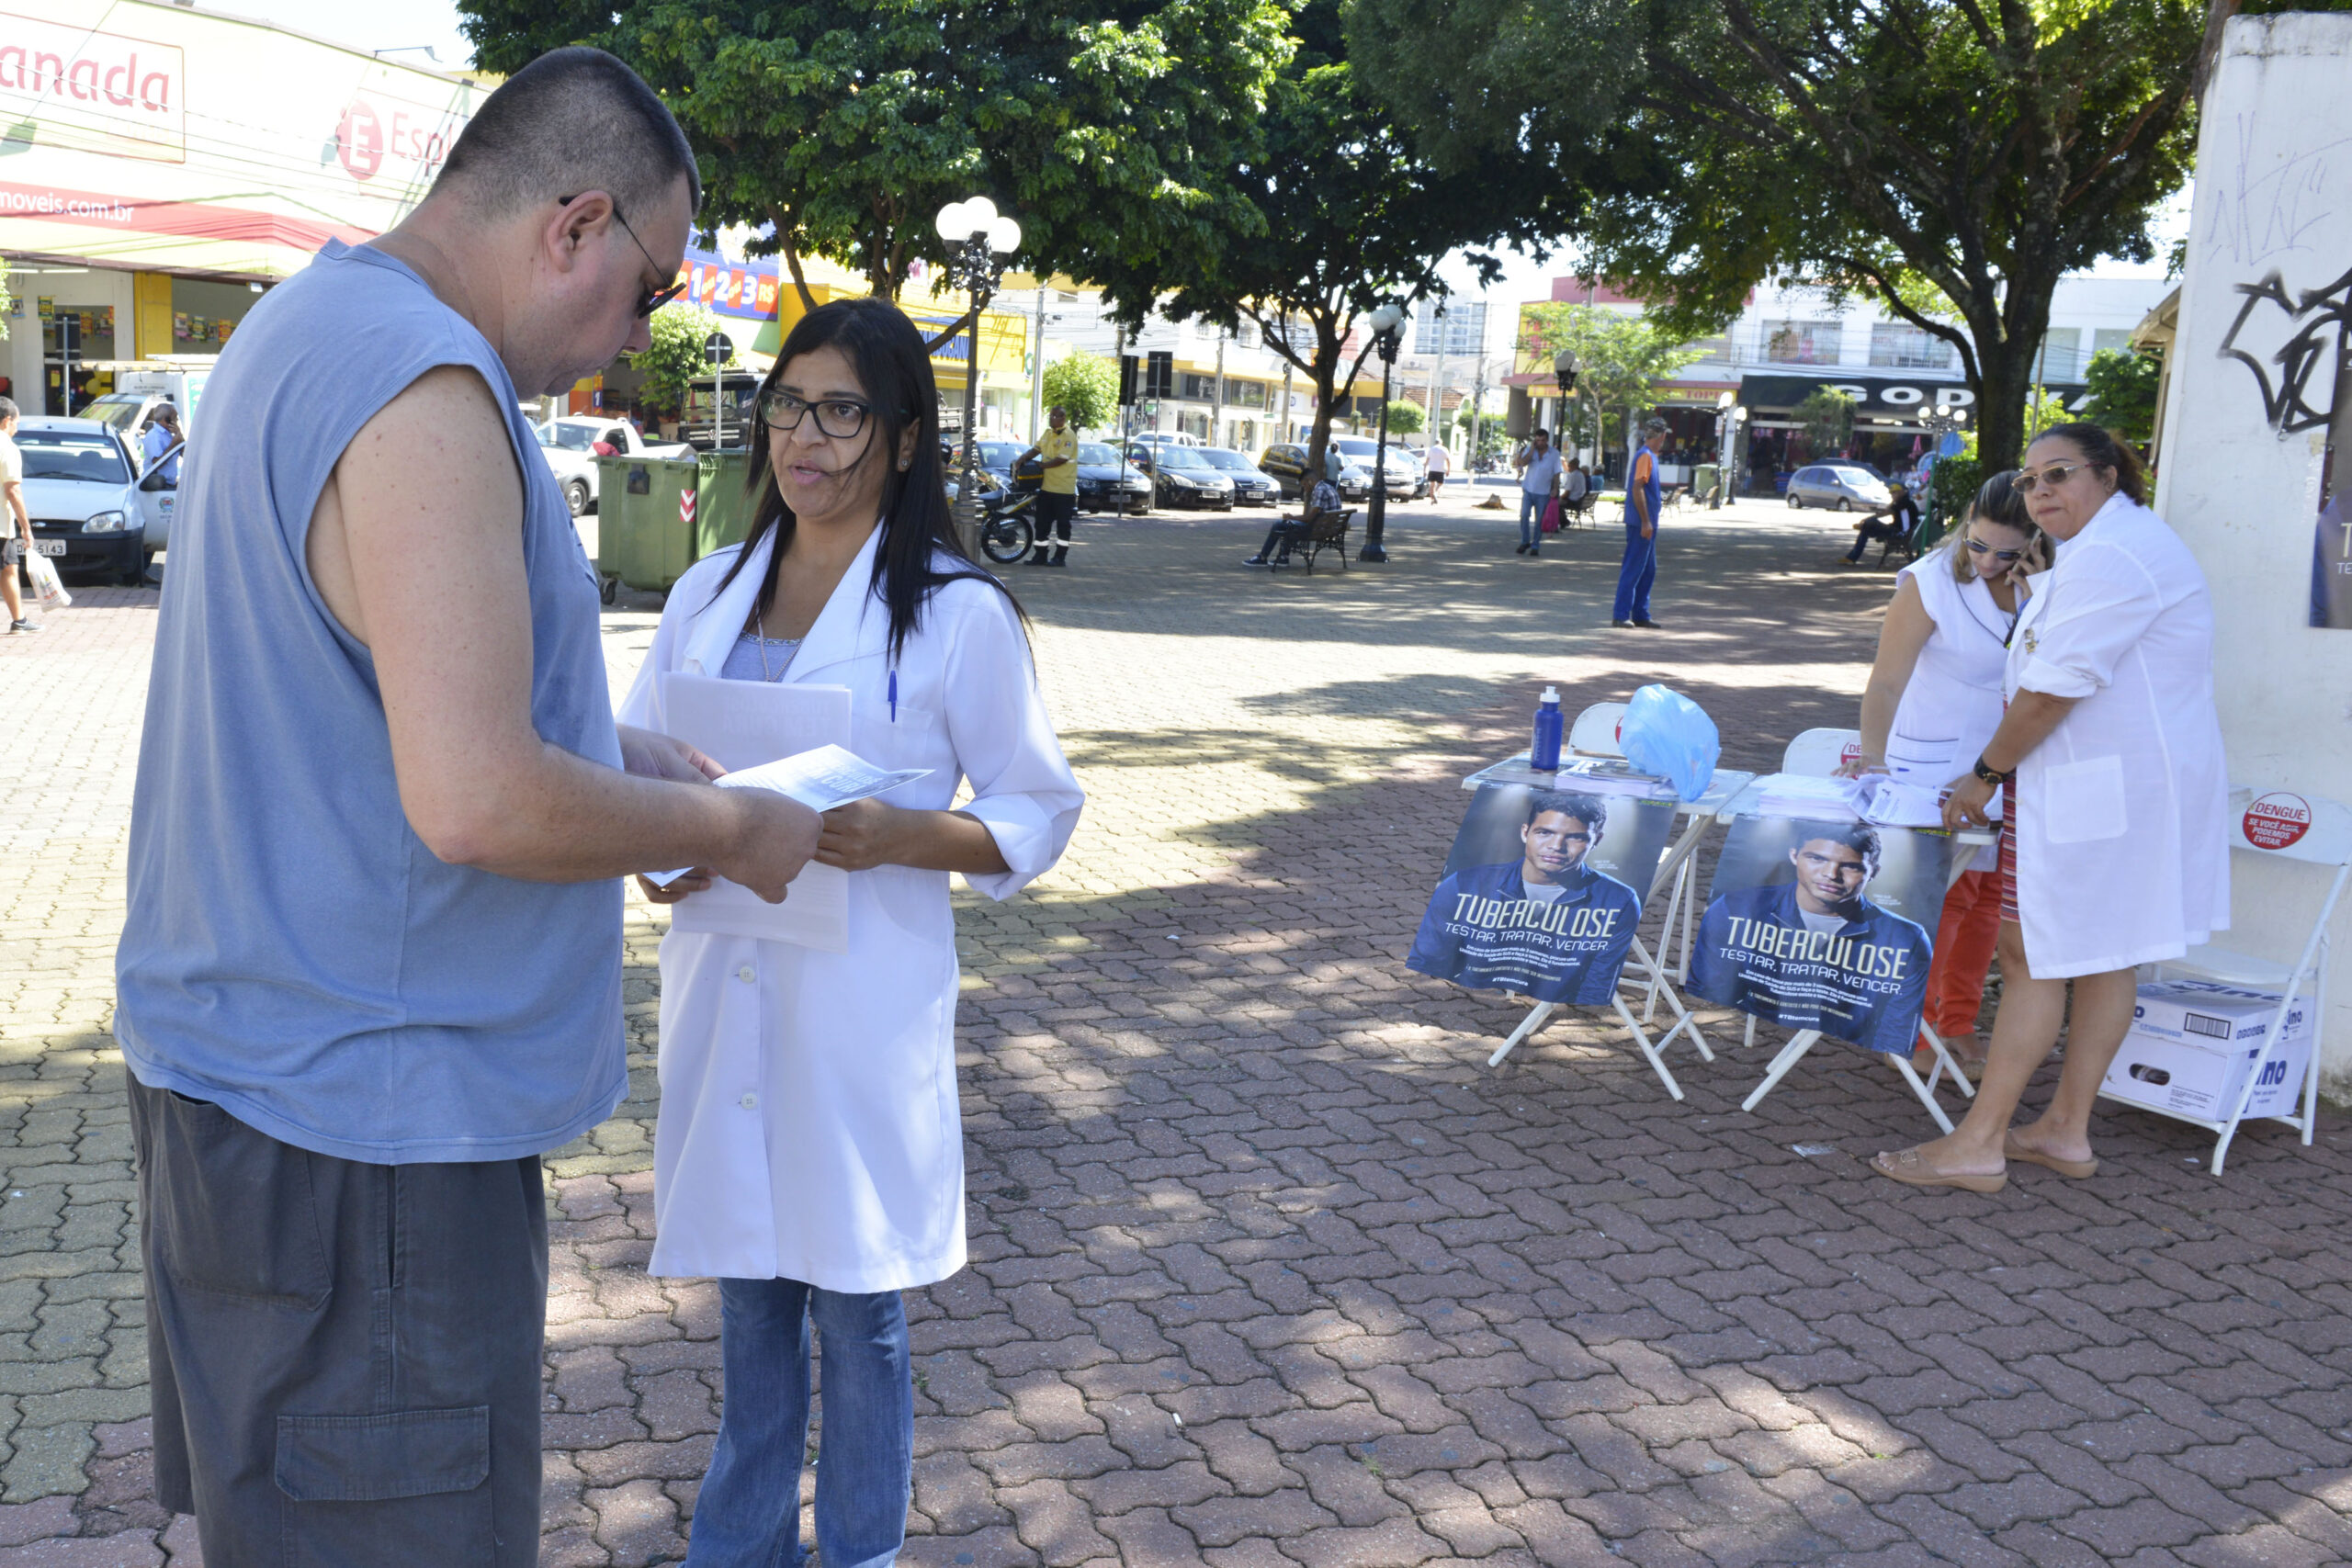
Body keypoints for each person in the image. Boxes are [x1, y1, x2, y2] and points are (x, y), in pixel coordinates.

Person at [112, 51, 825, 1564]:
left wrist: (610, 748)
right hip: (368, 1150)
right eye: (650, 290)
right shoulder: (429, 388)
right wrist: (723, 831)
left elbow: (373, 689)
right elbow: (479, 799)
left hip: (252, 1099)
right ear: (574, 224)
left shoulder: (301, 327)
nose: (642, 333)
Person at [618, 296, 1083, 1568]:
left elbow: (1039, 808)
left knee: (862, 1310)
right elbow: (648, 761)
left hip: (857, 1010)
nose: (804, 437)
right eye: (788, 404)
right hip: (727, 980)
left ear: (905, 439)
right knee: (752, 1310)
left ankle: (861, 1549)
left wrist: (901, 834)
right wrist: (660, 851)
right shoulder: (708, 589)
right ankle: (742, 1544)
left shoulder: (955, 613)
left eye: (841, 411)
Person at [1873, 423, 2229, 1192]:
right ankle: (2064, 1130)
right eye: (2032, 480)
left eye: (2059, 474)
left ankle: (1979, 1141)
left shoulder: (2112, 556)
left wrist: (1982, 776)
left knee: (2027, 952)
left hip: (2098, 790)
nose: (2041, 493)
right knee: (2106, 955)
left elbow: (2047, 693)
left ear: (2107, 476)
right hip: (2117, 789)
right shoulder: (2113, 547)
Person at [1841, 473, 2043, 1077]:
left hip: (2011, 763)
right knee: (1945, 899)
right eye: (1976, 544)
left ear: (2034, 542)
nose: (1985, 562)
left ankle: (1958, 1020)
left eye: (2004, 553)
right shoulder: (1929, 582)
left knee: (1987, 902)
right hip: (1929, 764)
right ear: (1965, 521)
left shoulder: (2046, 585)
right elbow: (1885, 681)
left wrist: (2036, 585)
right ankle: (1915, 1022)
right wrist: (1873, 761)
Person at [1690, 823, 1935, 1055]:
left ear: (1873, 872)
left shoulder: (1906, 938)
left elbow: (1894, 1031)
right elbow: (1711, 988)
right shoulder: (1735, 908)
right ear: (1794, 855)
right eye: (1817, 858)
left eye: (1850, 866)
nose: (1831, 874)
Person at [1406, 791, 1645, 1006]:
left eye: (1575, 837)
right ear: (1525, 832)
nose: (1556, 846)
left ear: (1596, 841)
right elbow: (1430, 959)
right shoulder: (1462, 884)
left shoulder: (1618, 900)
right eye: (1544, 832)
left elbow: (1596, 986)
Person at [1612, 418, 1669, 627]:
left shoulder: (1649, 456)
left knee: (1648, 569)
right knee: (1634, 568)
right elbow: (1637, 488)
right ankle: (1621, 614)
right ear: (1662, 436)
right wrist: (1645, 521)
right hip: (1641, 523)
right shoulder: (1646, 457)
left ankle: (1640, 613)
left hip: (1646, 522)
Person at [1017, 403, 1080, 566]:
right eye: (1050, 416)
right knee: (1041, 523)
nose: (1051, 419)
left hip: (1063, 489)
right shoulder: (1048, 433)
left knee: (1063, 525)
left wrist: (1043, 466)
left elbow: (1062, 459)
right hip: (1046, 488)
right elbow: (1036, 449)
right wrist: (1023, 458)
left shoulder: (1069, 436)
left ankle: (1060, 558)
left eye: (1054, 416)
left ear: (1062, 418)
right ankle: (1040, 555)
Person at [1247, 466, 1340, 567]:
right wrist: (1293, 518)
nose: (1304, 489)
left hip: (1318, 530)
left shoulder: (1319, 491)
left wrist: (1292, 517)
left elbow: (1309, 518)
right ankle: (1283, 557)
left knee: (1279, 525)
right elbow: (1312, 516)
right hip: (1329, 528)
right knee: (1289, 524)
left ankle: (1263, 557)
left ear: (1309, 481)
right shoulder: (1329, 487)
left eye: (1304, 485)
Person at [0, 398, 35, 633]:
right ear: (6, 421)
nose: (17, 428)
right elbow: (12, 489)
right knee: (9, 567)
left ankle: (19, 620)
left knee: (9, 567)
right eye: (16, 423)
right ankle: (19, 620)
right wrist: (26, 527)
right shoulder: (7, 448)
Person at [1843, 480, 1920, 564]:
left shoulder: (1904, 503)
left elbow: (1885, 512)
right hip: (1899, 531)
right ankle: (1852, 557)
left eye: (1895, 492)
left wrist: (1866, 519)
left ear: (1901, 492)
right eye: (1891, 493)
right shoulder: (1904, 502)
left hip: (1899, 533)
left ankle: (1853, 556)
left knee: (1870, 522)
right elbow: (1886, 512)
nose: (1893, 495)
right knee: (1866, 528)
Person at [1513, 427, 1561, 555]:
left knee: (1539, 520)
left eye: (1543, 440)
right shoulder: (1530, 450)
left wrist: (1555, 488)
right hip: (1528, 489)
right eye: (1538, 440)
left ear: (1547, 440)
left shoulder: (1554, 454)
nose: (1540, 442)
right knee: (1524, 515)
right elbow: (1522, 463)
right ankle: (1525, 541)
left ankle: (1535, 546)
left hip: (1544, 492)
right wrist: (1532, 449)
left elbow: (1557, 473)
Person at [141, 402, 184, 488]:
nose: (177, 421)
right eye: (175, 418)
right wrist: (173, 445)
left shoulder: (168, 435)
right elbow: (157, 463)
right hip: (157, 486)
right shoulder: (154, 436)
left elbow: (186, 455)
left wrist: (180, 438)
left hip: (170, 484)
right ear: (166, 420)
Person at [1421, 437, 1449, 501]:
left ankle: (1432, 499)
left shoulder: (1431, 449)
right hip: (1441, 470)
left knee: (1432, 484)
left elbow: (1427, 461)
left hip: (1432, 469)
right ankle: (1436, 494)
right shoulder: (1444, 449)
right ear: (1441, 443)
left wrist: (1424, 471)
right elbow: (1448, 460)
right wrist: (1448, 470)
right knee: (1440, 484)